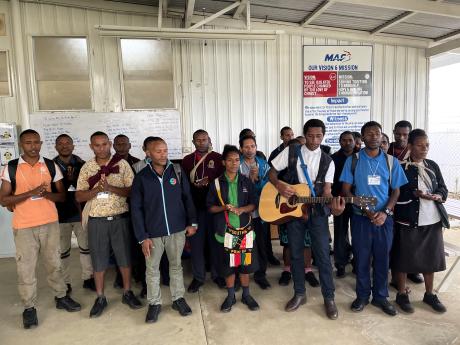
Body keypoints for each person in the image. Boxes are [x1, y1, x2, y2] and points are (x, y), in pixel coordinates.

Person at [0, 129, 81, 329]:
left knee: (54, 262)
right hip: (24, 226)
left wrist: (45, 195)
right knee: (25, 268)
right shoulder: (11, 168)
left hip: (49, 223)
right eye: (28, 142)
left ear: (41, 143)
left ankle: (61, 296)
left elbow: (61, 196)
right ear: (21, 145)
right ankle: (29, 308)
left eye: (36, 142)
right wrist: (31, 192)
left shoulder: (51, 165)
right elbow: (3, 199)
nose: (33, 146)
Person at [269, 119, 345, 319]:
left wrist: (335, 207)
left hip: (317, 213)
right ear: (304, 135)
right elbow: (272, 173)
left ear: (323, 136)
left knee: (322, 256)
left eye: (318, 136)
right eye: (310, 135)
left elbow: (327, 191)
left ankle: (329, 298)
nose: (314, 140)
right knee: (295, 253)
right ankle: (299, 293)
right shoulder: (292, 152)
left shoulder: (328, 161)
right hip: (294, 211)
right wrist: (279, 186)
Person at [340, 121, 408, 316]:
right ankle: (362, 296)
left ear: (382, 136)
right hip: (361, 218)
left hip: (384, 219)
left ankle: (381, 297)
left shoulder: (390, 161)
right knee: (361, 258)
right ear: (362, 138)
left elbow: (395, 191)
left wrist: (385, 212)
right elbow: (346, 191)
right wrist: (367, 210)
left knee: (382, 259)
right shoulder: (353, 160)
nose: (374, 137)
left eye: (377, 133)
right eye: (369, 134)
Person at [131, 137, 197, 323]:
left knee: (176, 266)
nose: (163, 154)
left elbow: (187, 197)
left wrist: (192, 222)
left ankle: (178, 298)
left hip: (177, 230)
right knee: (152, 269)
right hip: (152, 234)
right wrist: (142, 237)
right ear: (148, 153)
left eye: (165, 150)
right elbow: (136, 208)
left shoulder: (176, 171)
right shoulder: (142, 177)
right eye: (158, 151)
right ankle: (154, 303)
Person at [76, 131, 142, 318]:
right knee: (98, 260)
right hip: (97, 220)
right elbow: (79, 195)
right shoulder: (87, 168)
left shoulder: (122, 165)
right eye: (97, 145)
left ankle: (127, 293)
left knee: (124, 258)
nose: (101, 148)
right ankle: (100, 297)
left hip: (120, 218)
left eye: (105, 144)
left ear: (110, 144)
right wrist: (96, 190)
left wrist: (110, 188)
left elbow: (132, 192)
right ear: (91, 147)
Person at [392, 129, 449, 314]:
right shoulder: (400, 167)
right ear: (410, 146)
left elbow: (443, 187)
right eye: (420, 145)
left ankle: (429, 294)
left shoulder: (432, 165)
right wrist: (414, 194)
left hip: (431, 220)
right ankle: (401, 294)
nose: (424, 148)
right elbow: (393, 192)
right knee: (403, 258)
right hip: (407, 219)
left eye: (427, 145)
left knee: (429, 258)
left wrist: (437, 195)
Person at [207, 145, 260, 313]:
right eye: (230, 160)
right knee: (229, 266)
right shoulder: (216, 183)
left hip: (244, 230)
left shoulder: (245, 181)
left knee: (245, 265)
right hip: (225, 232)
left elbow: (254, 204)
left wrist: (242, 209)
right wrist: (225, 208)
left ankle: (246, 294)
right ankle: (230, 296)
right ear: (223, 162)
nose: (234, 163)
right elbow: (209, 207)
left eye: (237, 160)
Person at [181, 129, 225, 292]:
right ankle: (198, 277)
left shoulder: (218, 158)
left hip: (215, 209)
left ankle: (217, 275)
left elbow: (224, 181)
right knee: (196, 245)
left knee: (216, 243)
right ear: (193, 142)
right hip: (195, 209)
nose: (201, 142)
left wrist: (210, 182)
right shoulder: (187, 161)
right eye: (198, 140)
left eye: (204, 139)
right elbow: (184, 186)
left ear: (209, 140)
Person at [53, 134, 95, 293]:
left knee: (86, 248)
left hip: (80, 213)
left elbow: (88, 187)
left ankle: (88, 277)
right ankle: (65, 281)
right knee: (62, 251)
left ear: (73, 146)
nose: (64, 146)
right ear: (56, 147)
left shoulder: (82, 164)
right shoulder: (51, 165)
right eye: (61, 144)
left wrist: (73, 179)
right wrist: (66, 180)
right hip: (59, 215)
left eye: (67, 143)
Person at [276, 138, 320, 288]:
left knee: (307, 242)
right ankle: (287, 270)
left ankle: (307, 270)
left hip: (307, 209)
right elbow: (272, 181)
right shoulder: (282, 165)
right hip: (285, 210)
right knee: (288, 243)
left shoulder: (312, 163)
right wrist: (281, 187)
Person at [388, 120, 423, 285]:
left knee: (411, 240)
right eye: (398, 134)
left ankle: (412, 270)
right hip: (390, 200)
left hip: (409, 202)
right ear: (394, 132)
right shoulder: (387, 150)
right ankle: (395, 274)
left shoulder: (414, 153)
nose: (401, 137)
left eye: (405, 134)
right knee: (396, 240)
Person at [239, 135, 271, 289]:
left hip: (259, 212)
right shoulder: (236, 164)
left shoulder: (263, 164)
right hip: (241, 213)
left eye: (252, 146)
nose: (249, 149)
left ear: (256, 147)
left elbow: (269, 187)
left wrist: (257, 179)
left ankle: (260, 274)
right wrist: (249, 179)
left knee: (261, 244)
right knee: (241, 245)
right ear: (241, 149)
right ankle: (242, 274)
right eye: (246, 146)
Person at [331, 131, 355, 278]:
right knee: (340, 232)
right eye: (344, 140)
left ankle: (357, 262)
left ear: (354, 141)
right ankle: (340, 264)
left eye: (350, 140)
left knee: (358, 233)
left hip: (357, 200)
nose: (347, 143)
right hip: (339, 200)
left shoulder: (360, 157)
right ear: (340, 142)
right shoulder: (332, 159)